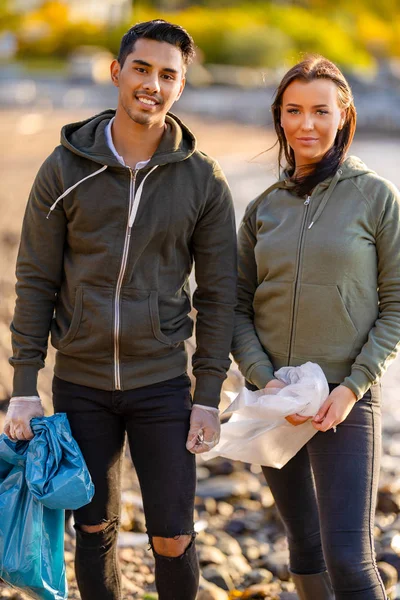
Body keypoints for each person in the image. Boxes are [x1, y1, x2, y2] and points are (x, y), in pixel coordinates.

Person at [4, 20, 237, 600]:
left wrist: (207, 395)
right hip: (80, 382)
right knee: (92, 528)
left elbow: (217, 295)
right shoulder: (63, 169)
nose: (151, 85)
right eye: (141, 68)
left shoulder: (202, 180)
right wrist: (26, 385)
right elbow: (34, 280)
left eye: (167, 75)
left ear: (181, 86)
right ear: (116, 71)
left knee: (174, 536)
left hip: (162, 382)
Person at [232, 55, 400, 600]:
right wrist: (262, 377)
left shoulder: (376, 197)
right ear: (279, 117)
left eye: (320, 111)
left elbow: (396, 305)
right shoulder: (263, 209)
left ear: (343, 114)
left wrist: (353, 388)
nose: (307, 124)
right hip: (277, 398)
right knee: (302, 547)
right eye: (294, 110)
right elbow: (234, 307)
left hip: (345, 403)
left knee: (350, 561)